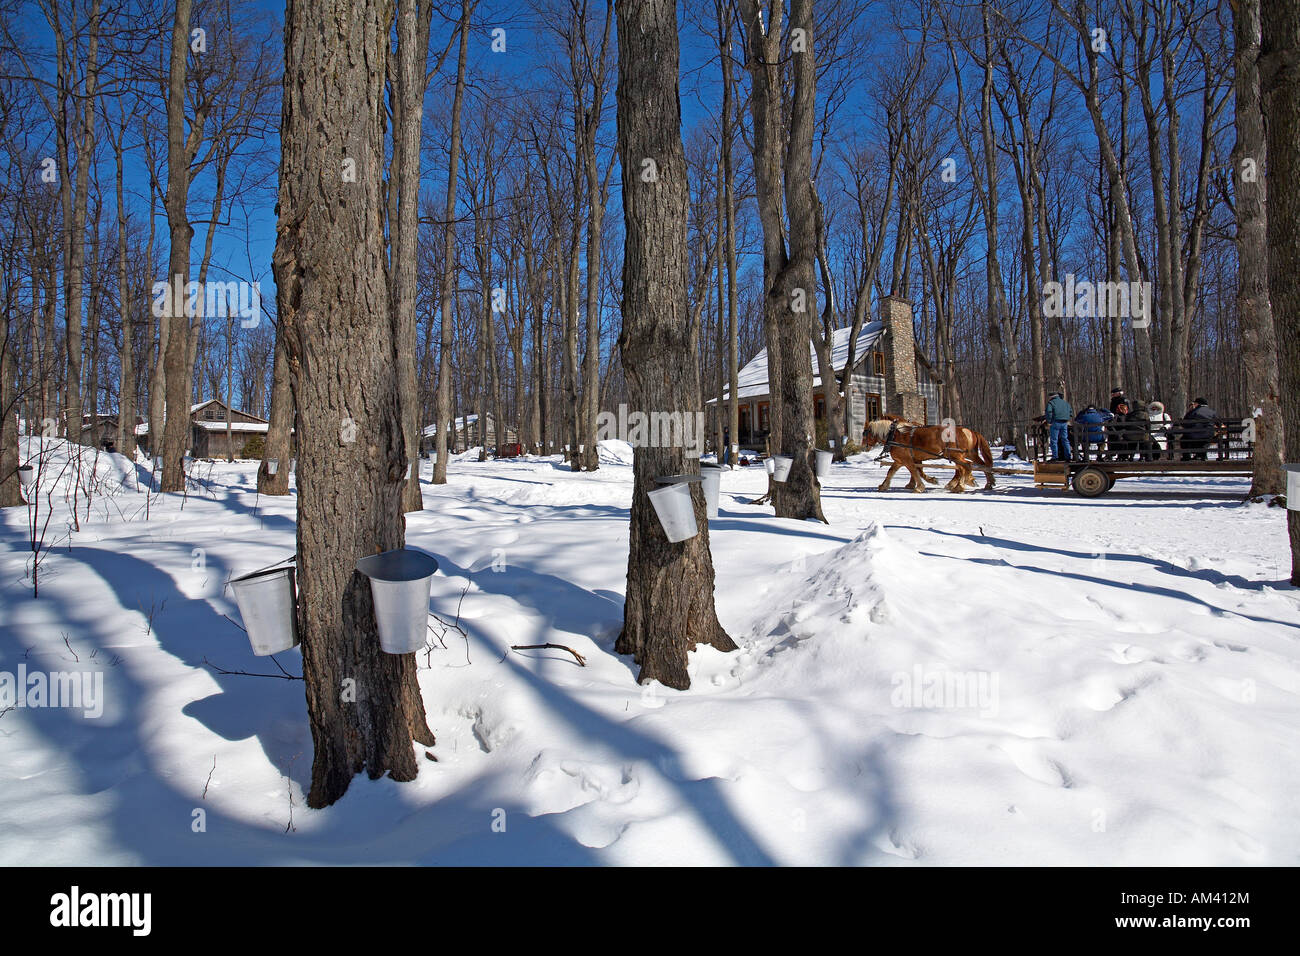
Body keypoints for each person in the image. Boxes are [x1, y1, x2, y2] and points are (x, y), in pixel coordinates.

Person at [1044, 391, 1073, 461]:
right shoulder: (1065, 403)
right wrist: (1067, 418)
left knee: (1054, 440)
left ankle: (1055, 457)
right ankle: (1068, 456)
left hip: (1055, 422)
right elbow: (1071, 412)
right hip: (1064, 423)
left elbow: (1049, 412)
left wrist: (1049, 421)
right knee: (1065, 439)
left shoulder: (1051, 403)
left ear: (1051, 397)